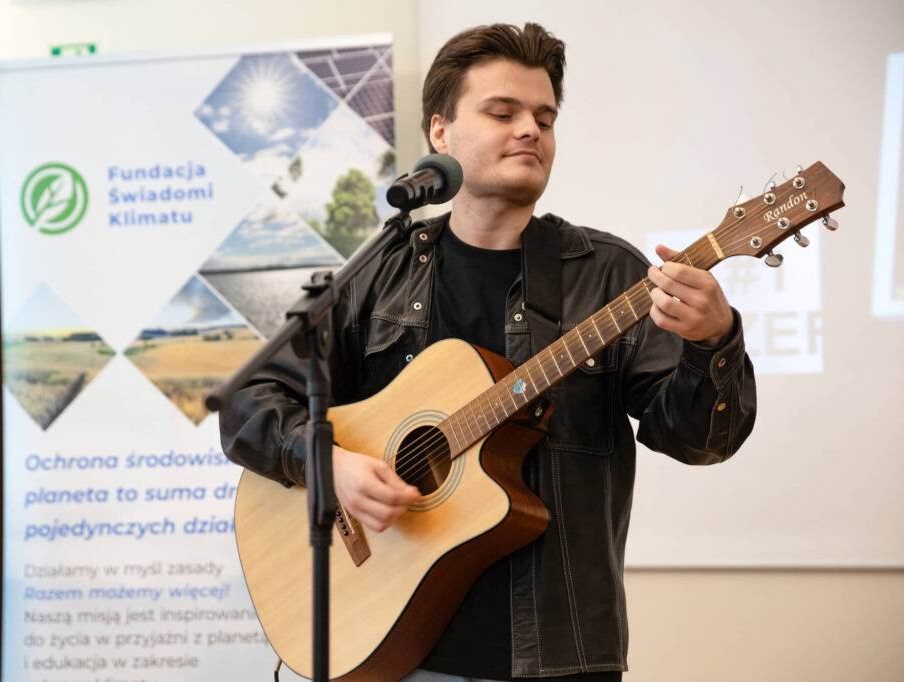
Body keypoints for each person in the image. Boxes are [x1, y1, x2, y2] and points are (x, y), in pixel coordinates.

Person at [220, 22, 756, 682]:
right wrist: (329, 465)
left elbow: (702, 441)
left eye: (544, 118)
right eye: (503, 113)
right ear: (440, 133)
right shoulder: (380, 272)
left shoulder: (611, 278)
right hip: (389, 652)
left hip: (559, 657)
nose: (530, 130)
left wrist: (712, 341)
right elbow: (245, 402)